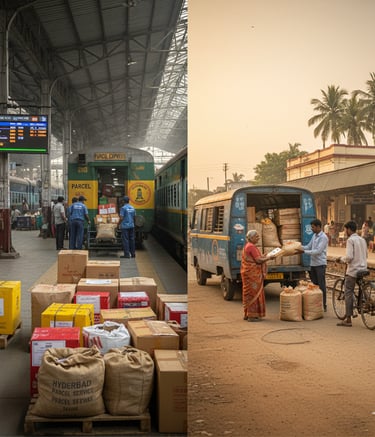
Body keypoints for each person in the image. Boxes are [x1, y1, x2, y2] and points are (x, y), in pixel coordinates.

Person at [336, 220, 368, 327]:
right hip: (363, 268)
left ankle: (348, 319)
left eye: (345, 229)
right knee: (361, 287)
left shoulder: (350, 240)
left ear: (349, 229)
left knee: (348, 291)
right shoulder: (362, 239)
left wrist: (341, 259)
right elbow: (366, 255)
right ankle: (365, 300)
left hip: (353, 270)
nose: (345, 232)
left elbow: (349, 257)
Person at [240, 229, 275, 322]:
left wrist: (264, 256)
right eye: (256, 236)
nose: (258, 238)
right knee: (253, 294)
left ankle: (247, 314)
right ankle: (252, 316)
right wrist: (268, 258)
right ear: (251, 238)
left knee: (249, 293)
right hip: (252, 275)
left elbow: (256, 258)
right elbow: (258, 261)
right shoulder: (251, 247)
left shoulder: (248, 246)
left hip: (248, 274)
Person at [296, 219, 329, 311]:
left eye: (313, 227)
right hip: (313, 264)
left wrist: (304, 251)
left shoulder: (324, 237)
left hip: (320, 264)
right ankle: (317, 304)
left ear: (318, 227)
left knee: (321, 285)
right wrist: (297, 247)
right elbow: (308, 246)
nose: (312, 229)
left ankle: (323, 305)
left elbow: (318, 251)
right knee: (315, 285)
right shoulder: (314, 236)